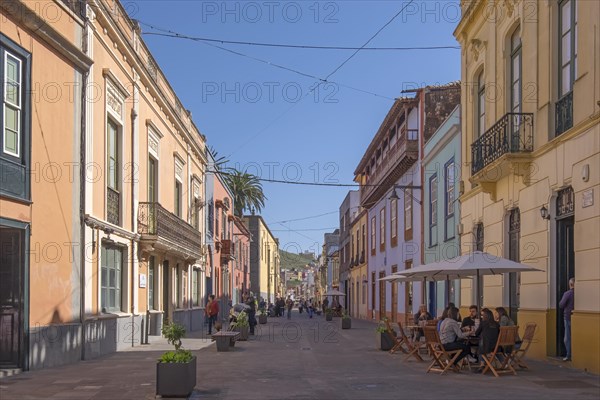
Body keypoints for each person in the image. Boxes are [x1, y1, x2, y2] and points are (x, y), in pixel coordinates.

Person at [474, 308, 500, 372]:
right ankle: (504, 363)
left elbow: (476, 333)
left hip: (486, 347)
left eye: (483, 316)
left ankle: (482, 365)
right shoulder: (497, 324)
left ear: (485, 316)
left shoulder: (483, 323)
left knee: (481, 345)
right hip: (496, 347)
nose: (482, 317)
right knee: (483, 342)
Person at [559, 278, 575, 361]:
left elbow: (561, 305)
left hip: (568, 317)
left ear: (570, 284)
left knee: (567, 338)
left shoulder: (567, 293)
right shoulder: (579, 293)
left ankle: (568, 355)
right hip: (576, 317)